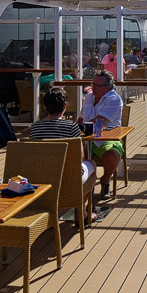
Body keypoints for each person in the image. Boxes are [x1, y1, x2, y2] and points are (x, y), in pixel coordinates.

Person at [30, 87, 97, 222]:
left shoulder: (35, 127)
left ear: (44, 106)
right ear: (65, 106)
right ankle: (81, 212)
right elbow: (79, 156)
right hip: (68, 177)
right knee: (92, 164)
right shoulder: (71, 127)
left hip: (42, 176)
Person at [79, 70, 123, 199]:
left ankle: (105, 180)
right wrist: (74, 130)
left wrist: (81, 128)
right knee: (69, 153)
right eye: (93, 84)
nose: (94, 88)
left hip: (106, 137)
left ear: (108, 87)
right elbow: (81, 118)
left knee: (112, 154)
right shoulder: (89, 97)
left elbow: (98, 121)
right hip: (86, 138)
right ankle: (86, 184)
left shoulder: (114, 99)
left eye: (98, 85)